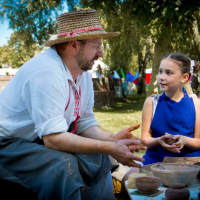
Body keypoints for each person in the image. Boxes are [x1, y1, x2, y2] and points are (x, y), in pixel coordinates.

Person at [0, 9, 147, 200]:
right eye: (97, 46)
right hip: (8, 144)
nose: (101, 53)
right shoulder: (47, 72)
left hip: (37, 140)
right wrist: (110, 148)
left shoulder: (82, 73)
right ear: (74, 45)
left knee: (98, 155)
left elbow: (85, 122)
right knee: (62, 166)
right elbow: (53, 139)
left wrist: (112, 139)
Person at [121, 53, 200, 200]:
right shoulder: (152, 102)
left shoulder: (195, 103)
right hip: (157, 160)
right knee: (127, 180)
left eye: (168, 73)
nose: (161, 77)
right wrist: (159, 141)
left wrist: (184, 139)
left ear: (184, 78)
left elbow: (198, 141)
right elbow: (145, 139)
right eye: (160, 71)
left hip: (188, 162)